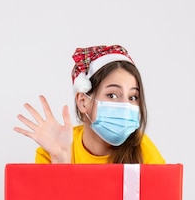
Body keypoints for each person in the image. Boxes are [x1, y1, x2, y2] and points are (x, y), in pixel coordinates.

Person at [14, 45, 165, 164]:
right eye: (112, 95)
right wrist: (61, 161)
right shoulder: (52, 149)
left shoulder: (142, 149)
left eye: (133, 97)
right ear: (82, 101)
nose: (125, 106)